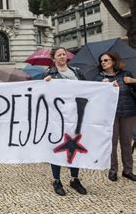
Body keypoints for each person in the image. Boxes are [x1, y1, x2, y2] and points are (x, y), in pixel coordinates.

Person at [42, 46, 88, 196]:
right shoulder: (50, 73)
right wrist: (45, 83)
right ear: (53, 58)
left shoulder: (76, 72)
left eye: (64, 54)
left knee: (75, 146)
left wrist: (107, 85)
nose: (62, 56)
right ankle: (56, 180)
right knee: (57, 147)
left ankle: (74, 178)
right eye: (59, 55)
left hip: (76, 115)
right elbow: (43, 95)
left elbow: (89, 89)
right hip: (57, 117)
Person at [94, 51, 136, 182]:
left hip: (128, 113)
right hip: (110, 115)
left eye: (106, 60)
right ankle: (113, 170)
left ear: (113, 61)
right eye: (101, 61)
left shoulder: (126, 74)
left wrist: (132, 81)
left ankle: (128, 171)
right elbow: (95, 96)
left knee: (126, 143)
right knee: (111, 143)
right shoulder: (99, 78)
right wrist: (103, 86)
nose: (103, 63)